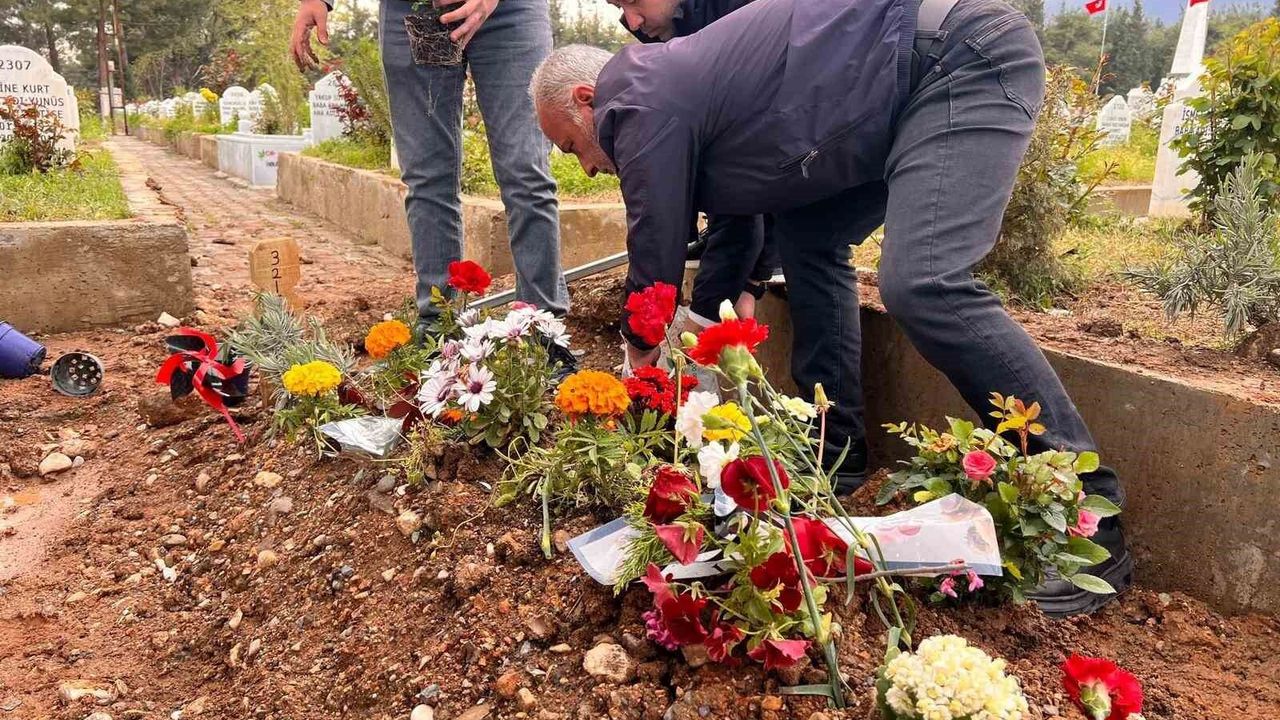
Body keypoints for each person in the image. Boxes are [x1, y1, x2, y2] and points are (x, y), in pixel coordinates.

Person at [528, 0, 1131, 616]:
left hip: (954, 58)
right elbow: (739, 219)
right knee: (810, 239)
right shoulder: (673, 94)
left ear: (586, 100)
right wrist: (740, 294)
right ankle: (838, 452)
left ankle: (1087, 516)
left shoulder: (634, 95)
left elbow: (655, 241)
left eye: (572, 146)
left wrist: (638, 359)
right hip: (888, 89)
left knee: (924, 282)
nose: (588, 168)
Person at [290, 0, 575, 370]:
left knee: (525, 171)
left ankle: (542, 331)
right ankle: (438, 330)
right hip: (412, 10)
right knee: (427, 177)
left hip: (509, 12)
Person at [607, 0, 782, 332]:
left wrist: (742, 286)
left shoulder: (737, 15)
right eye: (616, 5)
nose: (631, 21)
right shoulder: (664, 22)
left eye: (632, 0)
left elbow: (746, 182)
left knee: (817, 252)